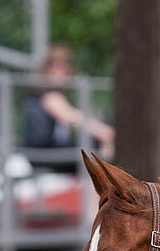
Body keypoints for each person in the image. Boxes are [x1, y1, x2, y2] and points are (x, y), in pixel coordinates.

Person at [23, 43, 114, 172]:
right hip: (43, 155)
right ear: (46, 69)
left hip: (49, 152)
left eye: (66, 65)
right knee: (95, 151)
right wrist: (105, 133)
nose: (63, 70)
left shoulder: (54, 94)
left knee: (93, 146)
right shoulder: (50, 96)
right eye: (57, 66)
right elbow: (72, 118)